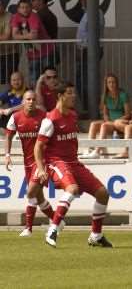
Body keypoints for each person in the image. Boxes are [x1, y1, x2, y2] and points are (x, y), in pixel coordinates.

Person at [34, 82, 113, 248]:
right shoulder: (50, 120)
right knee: (72, 189)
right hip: (56, 162)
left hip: (74, 162)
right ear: (60, 96)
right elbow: (38, 147)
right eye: (69, 93)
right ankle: (53, 229)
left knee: (103, 193)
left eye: (73, 92)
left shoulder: (72, 115)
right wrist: (41, 169)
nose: (73, 96)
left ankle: (96, 235)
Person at [4, 90, 62, 236]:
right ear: (23, 101)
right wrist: (7, 155)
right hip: (28, 162)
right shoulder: (15, 118)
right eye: (28, 99)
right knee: (39, 197)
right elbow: (8, 137)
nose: (31, 102)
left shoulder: (44, 118)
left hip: (42, 161)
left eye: (33, 99)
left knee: (30, 192)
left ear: (37, 102)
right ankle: (58, 221)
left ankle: (28, 228)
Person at [81, 73, 131, 159]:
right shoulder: (105, 96)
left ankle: (97, 151)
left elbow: (128, 114)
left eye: (113, 82)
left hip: (119, 122)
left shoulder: (123, 95)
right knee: (93, 124)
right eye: (109, 82)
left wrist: (115, 121)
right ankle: (90, 149)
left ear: (117, 83)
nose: (111, 84)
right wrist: (108, 121)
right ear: (106, 84)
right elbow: (105, 114)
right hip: (110, 122)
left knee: (104, 125)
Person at [11, 0, 54, 85]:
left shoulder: (34, 16)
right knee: (34, 78)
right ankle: (35, 97)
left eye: (27, 7)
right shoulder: (16, 17)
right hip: (32, 53)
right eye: (22, 7)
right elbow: (14, 35)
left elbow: (33, 36)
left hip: (46, 50)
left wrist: (21, 36)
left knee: (49, 77)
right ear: (18, 9)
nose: (25, 9)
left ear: (31, 8)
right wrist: (27, 36)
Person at [76, 0, 105, 110]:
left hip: (89, 50)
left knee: (85, 80)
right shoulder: (87, 13)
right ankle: (88, 106)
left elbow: (94, 32)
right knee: (82, 79)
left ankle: (90, 107)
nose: (81, 1)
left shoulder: (96, 13)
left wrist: (83, 47)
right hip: (85, 50)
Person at [0, 1, 20, 86]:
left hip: (10, 54)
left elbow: (6, 36)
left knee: (10, 81)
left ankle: (8, 99)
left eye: (0, 5)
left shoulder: (9, 16)